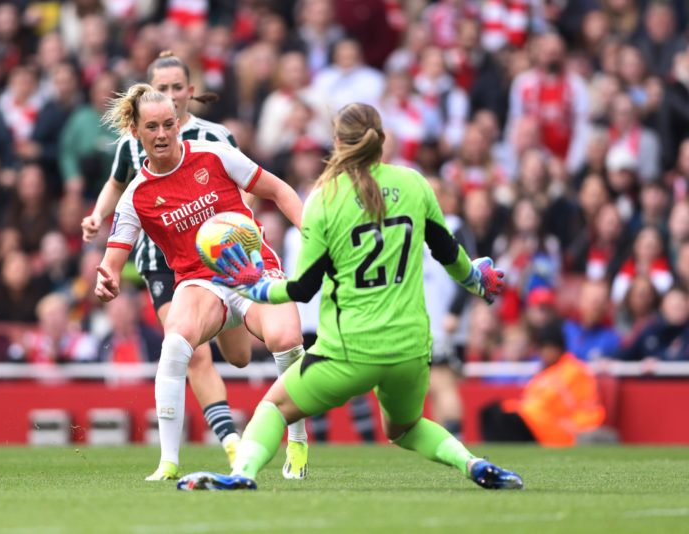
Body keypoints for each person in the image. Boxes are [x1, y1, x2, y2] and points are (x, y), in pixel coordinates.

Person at [177, 103, 522, 491]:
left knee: (273, 407)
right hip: (409, 349)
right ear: (382, 142)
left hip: (349, 349)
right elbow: (449, 253)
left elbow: (302, 288)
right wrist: (477, 279)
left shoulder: (325, 199)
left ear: (337, 143)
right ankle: (472, 463)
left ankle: (242, 474)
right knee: (405, 428)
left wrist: (254, 286)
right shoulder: (414, 184)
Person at [94, 85, 310, 482]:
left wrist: (311, 232)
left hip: (252, 269)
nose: (162, 134)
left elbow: (278, 190)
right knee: (175, 345)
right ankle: (168, 462)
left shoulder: (215, 155)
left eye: (168, 124)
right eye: (152, 127)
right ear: (136, 131)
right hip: (199, 282)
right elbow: (112, 262)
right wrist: (105, 280)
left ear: (178, 122)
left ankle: (296, 439)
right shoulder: (136, 196)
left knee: (285, 340)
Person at [81, 51, 263, 474]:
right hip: (163, 259)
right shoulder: (133, 143)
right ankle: (232, 445)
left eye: (176, 87)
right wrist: (96, 215)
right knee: (188, 350)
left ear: (190, 91)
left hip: (220, 256)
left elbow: (247, 186)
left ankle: (229, 317)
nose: (170, 95)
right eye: (160, 88)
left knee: (238, 357)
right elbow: (117, 185)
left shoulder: (217, 137)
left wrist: (234, 231)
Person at [480, 317, 606, 446]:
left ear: (558, 348)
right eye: (542, 348)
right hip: (535, 420)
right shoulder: (545, 371)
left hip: (554, 427)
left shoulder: (574, 370)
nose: (544, 353)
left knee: (502, 420)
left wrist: (571, 427)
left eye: (548, 347)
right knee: (490, 411)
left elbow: (586, 408)